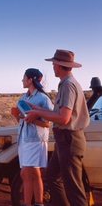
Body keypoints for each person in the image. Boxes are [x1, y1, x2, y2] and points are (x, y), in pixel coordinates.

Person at [25, 49, 89, 206]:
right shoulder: (66, 83)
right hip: (64, 141)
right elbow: (58, 113)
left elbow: (64, 118)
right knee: (53, 177)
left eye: (54, 64)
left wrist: (36, 114)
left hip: (69, 140)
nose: (52, 66)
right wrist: (36, 109)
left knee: (73, 189)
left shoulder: (68, 85)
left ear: (60, 65)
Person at [12, 68, 53, 206]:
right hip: (24, 139)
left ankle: (27, 203)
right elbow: (22, 119)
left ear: (30, 80)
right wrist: (17, 116)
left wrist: (33, 120)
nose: (22, 80)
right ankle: (39, 203)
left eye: (24, 77)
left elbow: (48, 124)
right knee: (34, 174)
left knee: (25, 174)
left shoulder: (43, 99)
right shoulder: (23, 98)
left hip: (35, 141)